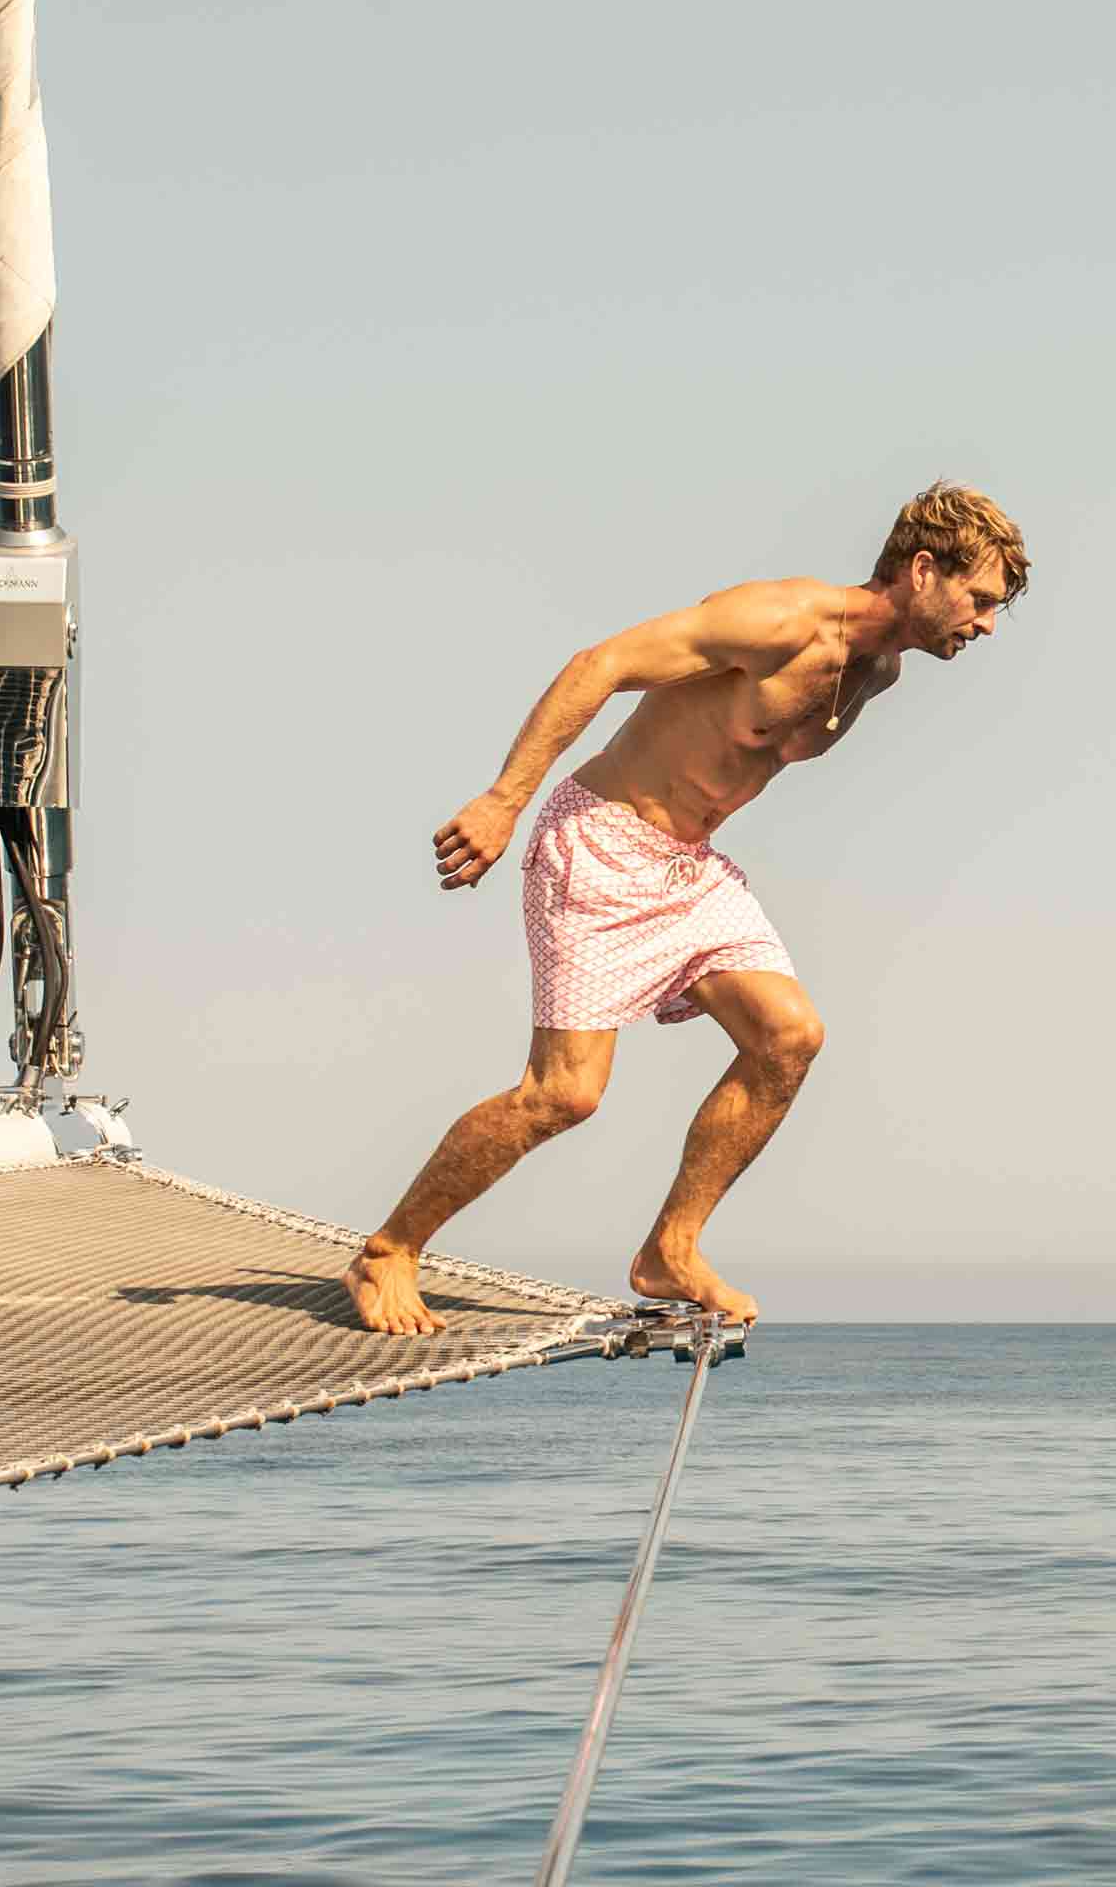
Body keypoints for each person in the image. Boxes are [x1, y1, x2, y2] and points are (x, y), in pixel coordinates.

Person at [344, 481, 1032, 1335]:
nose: (987, 624)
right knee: (565, 1094)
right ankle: (390, 1249)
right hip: (599, 842)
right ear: (922, 569)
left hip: (687, 868)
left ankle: (671, 1246)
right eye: (980, 599)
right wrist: (503, 798)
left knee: (789, 1036)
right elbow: (600, 665)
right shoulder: (779, 620)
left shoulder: (878, 671)